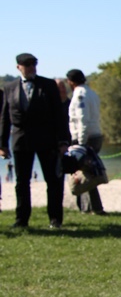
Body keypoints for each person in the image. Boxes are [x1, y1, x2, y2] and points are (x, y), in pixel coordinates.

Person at [0, 53, 71, 228]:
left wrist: (63, 141)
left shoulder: (48, 85)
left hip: (47, 140)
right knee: (21, 182)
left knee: (53, 181)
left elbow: (59, 115)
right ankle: (21, 219)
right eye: (27, 65)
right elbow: (4, 118)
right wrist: (2, 144)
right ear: (19, 67)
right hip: (21, 140)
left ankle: (55, 219)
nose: (32, 67)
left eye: (34, 64)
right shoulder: (9, 88)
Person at [66, 69, 106, 215]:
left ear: (71, 81)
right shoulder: (92, 93)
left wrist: (81, 143)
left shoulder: (79, 96)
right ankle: (90, 207)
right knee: (88, 173)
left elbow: (82, 119)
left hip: (86, 137)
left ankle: (92, 207)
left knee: (86, 175)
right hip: (95, 135)